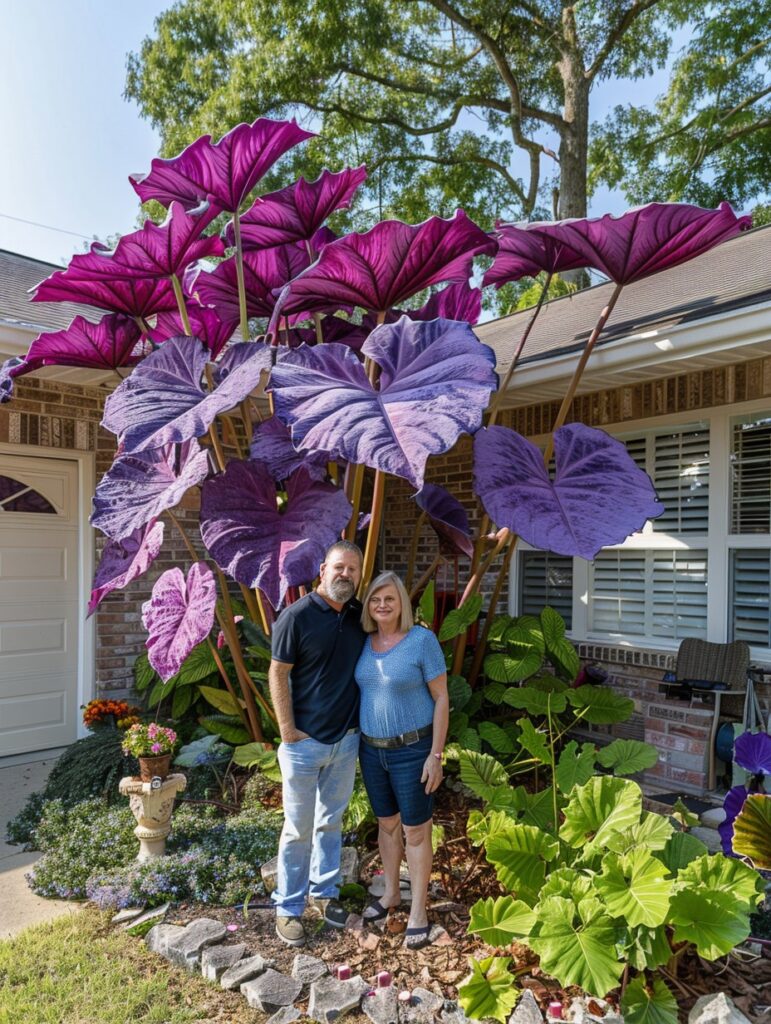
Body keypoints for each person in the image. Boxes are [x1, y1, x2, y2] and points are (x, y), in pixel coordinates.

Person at [268, 539, 366, 946]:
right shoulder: (296, 617)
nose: (346, 574)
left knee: (331, 822)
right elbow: (277, 673)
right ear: (323, 570)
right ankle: (288, 908)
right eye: (339, 567)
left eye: (353, 569)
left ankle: (324, 894)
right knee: (297, 830)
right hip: (304, 746)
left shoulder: (360, 616)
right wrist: (288, 732)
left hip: (346, 742)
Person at [355, 570, 449, 949]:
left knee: (416, 831)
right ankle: (392, 892)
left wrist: (435, 755)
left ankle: (418, 912)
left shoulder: (421, 641)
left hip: (413, 751)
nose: (382, 605)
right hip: (371, 750)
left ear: (402, 604)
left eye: (389, 599)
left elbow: (441, 698)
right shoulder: (364, 643)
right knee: (387, 824)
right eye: (376, 599)